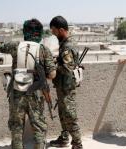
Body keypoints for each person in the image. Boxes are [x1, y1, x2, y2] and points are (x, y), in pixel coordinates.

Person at [0, 18, 56, 149]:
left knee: (16, 127)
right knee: (39, 127)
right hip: (36, 94)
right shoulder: (43, 50)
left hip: (16, 93)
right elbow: (52, 75)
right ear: (39, 33)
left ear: (25, 31)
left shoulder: (16, 46)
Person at [49, 16, 83, 149]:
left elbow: (68, 67)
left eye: (54, 31)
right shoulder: (66, 43)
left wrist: (52, 66)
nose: (53, 33)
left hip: (67, 88)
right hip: (63, 86)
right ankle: (64, 138)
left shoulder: (67, 46)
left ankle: (77, 144)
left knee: (69, 116)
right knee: (63, 114)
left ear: (61, 30)